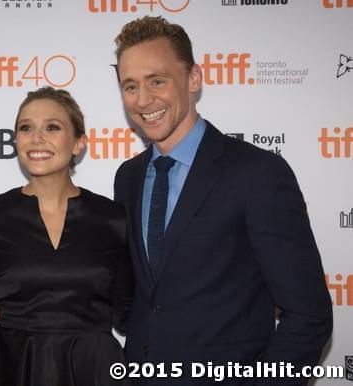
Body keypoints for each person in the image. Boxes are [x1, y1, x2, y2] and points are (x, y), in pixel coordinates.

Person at [113, 16, 332, 385]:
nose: (143, 99)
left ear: (193, 79)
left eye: (158, 81)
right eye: (130, 85)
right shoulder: (129, 177)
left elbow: (309, 315)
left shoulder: (257, 173)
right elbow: (143, 295)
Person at [0, 86, 133, 386]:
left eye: (53, 127)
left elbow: (127, 311)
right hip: (13, 367)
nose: (37, 138)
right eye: (26, 128)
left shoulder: (114, 219)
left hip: (93, 368)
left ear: (78, 143)